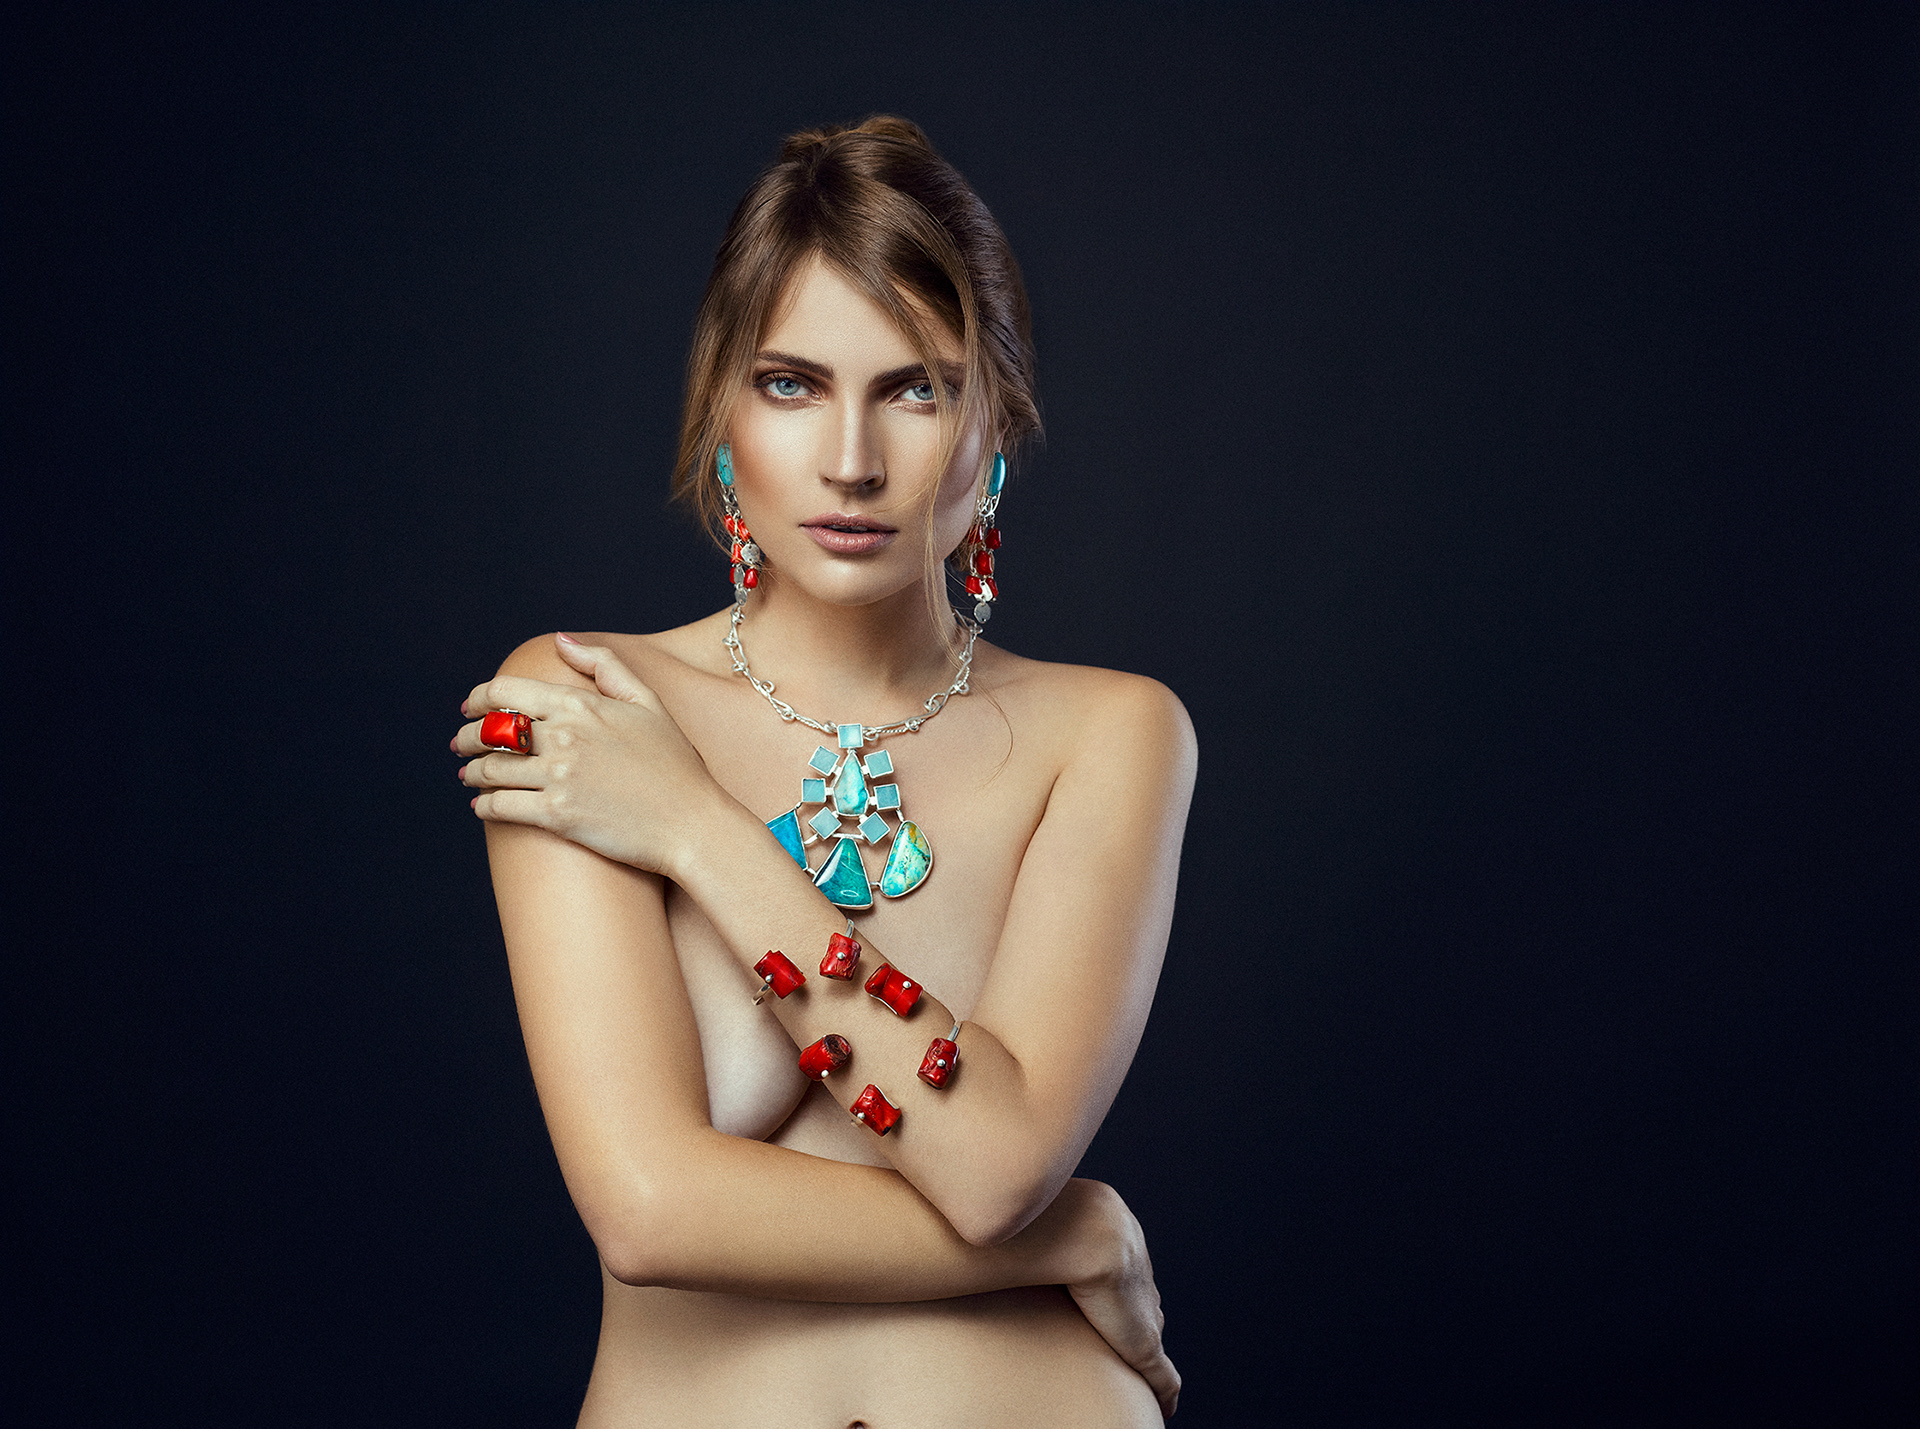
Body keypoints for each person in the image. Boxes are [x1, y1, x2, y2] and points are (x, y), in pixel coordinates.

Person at [451, 117, 1196, 1426]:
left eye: (918, 388)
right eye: (792, 383)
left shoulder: (1116, 733)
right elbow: (649, 1209)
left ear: (997, 423)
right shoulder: (582, 703)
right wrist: (1069, 1235)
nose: (852, 459)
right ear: (722, 411)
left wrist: (695, 827)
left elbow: (993, 1168)